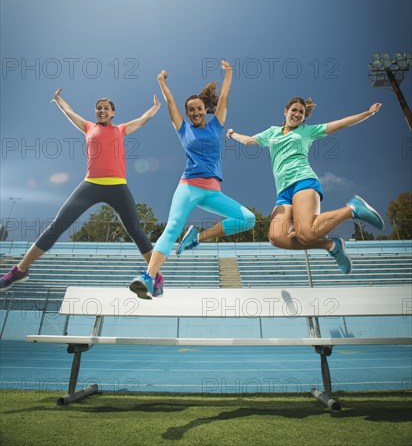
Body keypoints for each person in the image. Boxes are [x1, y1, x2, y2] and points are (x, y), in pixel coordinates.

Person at [0, 89, 165, 295]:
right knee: (57, 225)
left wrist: (156, 108)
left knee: (136, 231)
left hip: (118, 186)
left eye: (106, 108)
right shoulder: (88, 127)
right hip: (91, 184)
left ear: (113, 113)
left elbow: (142, 119)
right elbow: (70, 113)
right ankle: (19, 271)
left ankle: (156, 277)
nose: (102, 110)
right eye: (99, 108)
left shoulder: (121, 129)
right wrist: (59, 99)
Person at [128, 60, 256, 299]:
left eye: (199, 109)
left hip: (213, 191)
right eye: (191, 110)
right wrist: (161, 82)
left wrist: (229, 73)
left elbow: (225, 96)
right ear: (187, 114)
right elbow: (171, 103)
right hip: (188, 187)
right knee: (173, 226)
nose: (196, 113)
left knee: (248, 220)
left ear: (204, 110)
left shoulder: (216, 125)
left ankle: (198, 237)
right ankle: (149, 277)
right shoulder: (183, 129)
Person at [225, 97, 384, 274]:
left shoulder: (307, 131)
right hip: (283, 192)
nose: (297, 114)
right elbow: (250, 141)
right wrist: (233, 134)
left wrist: (368, 113)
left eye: (301, 112)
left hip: (303, 181)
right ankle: (331, 245)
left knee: (306, 234)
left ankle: (352, 209)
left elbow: (341, 123)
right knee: (277, 237)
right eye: (294, 110)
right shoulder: (272, 132)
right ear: (286, 111)